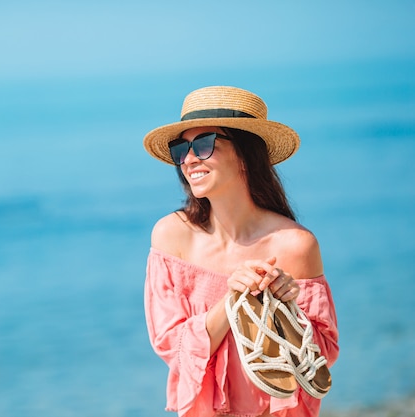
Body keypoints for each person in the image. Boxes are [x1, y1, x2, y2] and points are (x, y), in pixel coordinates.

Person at [142, 86, 339, 417]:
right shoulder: (171, 237)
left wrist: (287, 308)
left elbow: (322, 358)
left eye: (204, 145)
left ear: (246, 154)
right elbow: (172, 348)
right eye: (181, 149)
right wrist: (232, 301)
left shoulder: (294, 245)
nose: (189, 159)